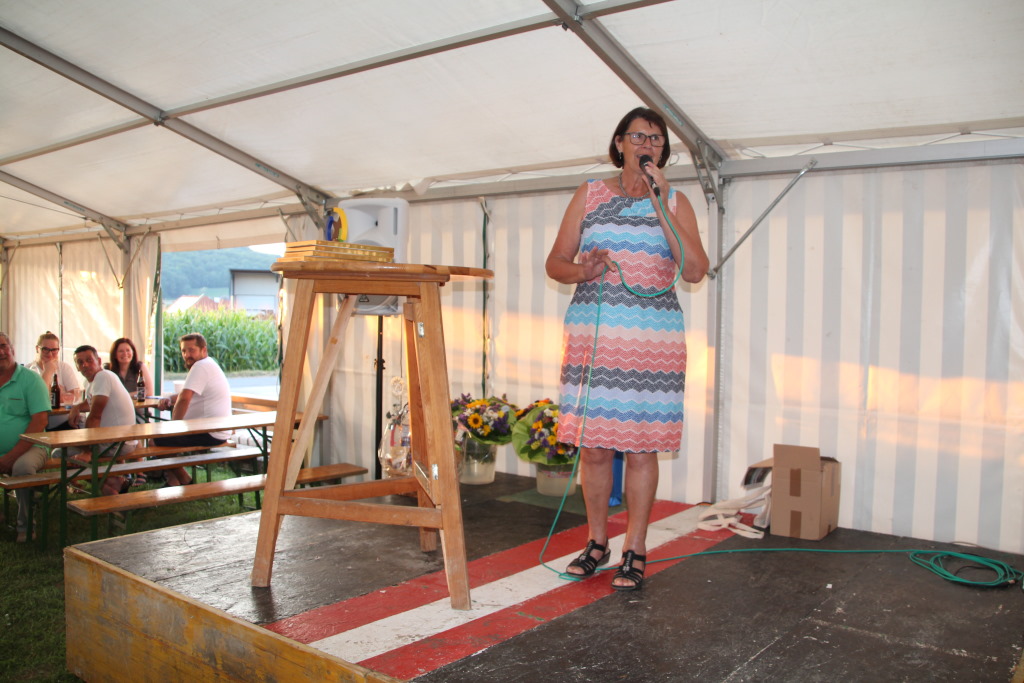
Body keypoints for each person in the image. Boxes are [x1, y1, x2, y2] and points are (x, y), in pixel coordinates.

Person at [546, 107, 709, 591]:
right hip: (594, 338)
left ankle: (635, 548)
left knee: (641, 448)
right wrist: (584, 270)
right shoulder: (590, 194)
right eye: (638, 136)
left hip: (651, 346)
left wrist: (660, 203)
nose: (647, 145)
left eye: (656, 139)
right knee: (595, 448)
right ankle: (596, 542)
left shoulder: (675, 201)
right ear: (619, 143)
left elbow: (695, 270)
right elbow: (555, 263)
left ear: (663, 150)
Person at [155, 333, 231, 486]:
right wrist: (169, 398)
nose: (187, 355)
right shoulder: (207, 364)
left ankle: (185, 480)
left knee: (155, 441)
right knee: (164, 440)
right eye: (184, 351)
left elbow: (184, 399)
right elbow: (185, 394)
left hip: (210, 432)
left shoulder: (200, 366)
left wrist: (173, 427)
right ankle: (173, 481)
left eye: (191, 350)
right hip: (217, 430)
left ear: (204, 350)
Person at [0, 332, 51, 542]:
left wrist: (11, 456)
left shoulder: (30, 379)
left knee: (22, 467)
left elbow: (40, 421)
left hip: (33, 445)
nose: (0, 352)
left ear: (12, 349)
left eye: (3, 346)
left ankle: (26, 527)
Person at [68, 346, 139, 495]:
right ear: (77, 367)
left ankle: (111, 486)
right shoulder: (93, 381)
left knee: (59, 453)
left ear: (99, 361)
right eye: (80, 362)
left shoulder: (102, 377)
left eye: (89, 360)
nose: (85, 365)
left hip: (118, 444)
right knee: (70, 448)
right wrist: (77, 407)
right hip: (122, 441)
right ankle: (114, 483)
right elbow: (91, 403)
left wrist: (87, 451)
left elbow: (95, 416)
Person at [26, 331, 81, 429]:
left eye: (54, 350)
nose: (50, 354)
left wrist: (53, 395)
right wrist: (48, 372)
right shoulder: (28, 370)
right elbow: (39, 399)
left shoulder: (64, 367)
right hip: (37, 423)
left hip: (64, 422)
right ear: (37, 349)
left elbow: (76, 395)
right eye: (45, 349)